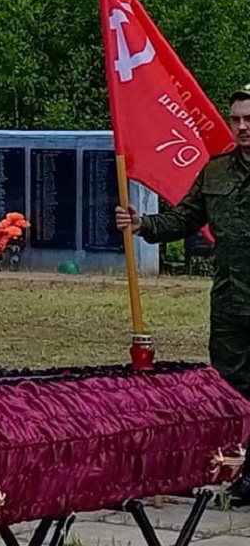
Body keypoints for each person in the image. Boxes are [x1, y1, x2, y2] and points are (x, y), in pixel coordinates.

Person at [116, 84, 250, 504]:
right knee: (233, 388)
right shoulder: (216, 172)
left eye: (249, 120)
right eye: (237, 119)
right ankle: (243, 473)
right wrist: (143, 224)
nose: (243, 127)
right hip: (230, 302)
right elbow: (186, 219)